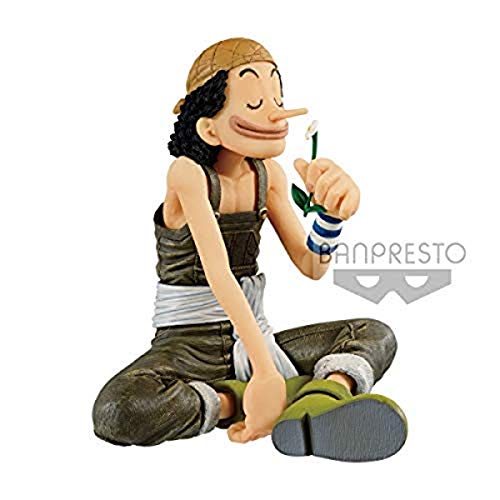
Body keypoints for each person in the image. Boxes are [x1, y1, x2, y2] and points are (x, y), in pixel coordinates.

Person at [93, 38, 407, 461]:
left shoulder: (268, 175)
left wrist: (330, 218)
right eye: (256, 102)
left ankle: (320, 399)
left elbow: (311, 266)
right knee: (117, 410)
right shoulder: (188, 174)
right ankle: (247, 400)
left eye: (277, 97)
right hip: (189, 346)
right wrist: (264, 373)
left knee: (374, 334)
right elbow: (219, 274)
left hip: (255, 335)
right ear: (209, 126)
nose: (277, 112)